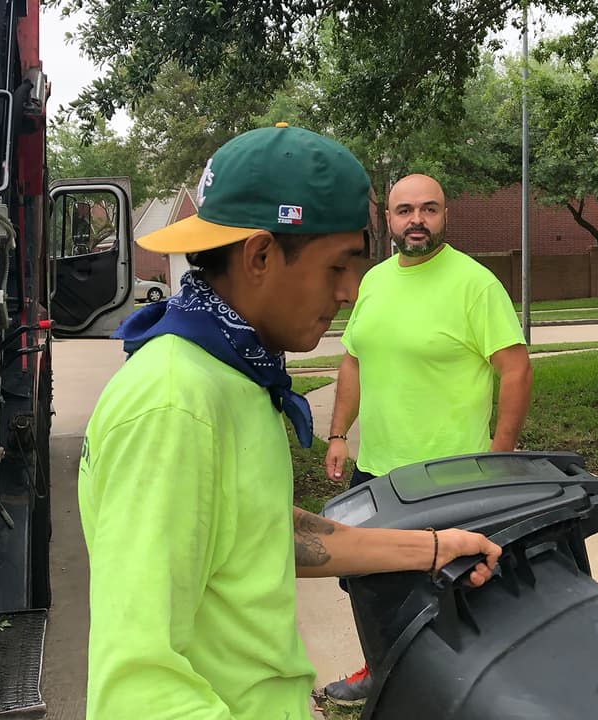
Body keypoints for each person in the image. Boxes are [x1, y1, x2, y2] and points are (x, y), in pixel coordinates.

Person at [77, 125, 502, 720]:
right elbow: (138, 693)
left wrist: (433, 548)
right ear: (258, 256)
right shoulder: (174, 405)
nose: (352, 291)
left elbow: (258, 535)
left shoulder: (229, 369)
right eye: (338, 266)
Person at [321, 173, 533, 705]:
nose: (417, 220)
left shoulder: (474, 283)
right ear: (387, 219)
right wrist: (338, 434)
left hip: (450, 475)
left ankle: (463, 687)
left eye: (429, 209)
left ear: (445, 216)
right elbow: (354, 360)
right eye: (405, 210)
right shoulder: (373, 282)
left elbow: (515, 369)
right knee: (367, 579)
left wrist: (500, 457)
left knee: (453, 583)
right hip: (377, 469)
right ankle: (378, 670)